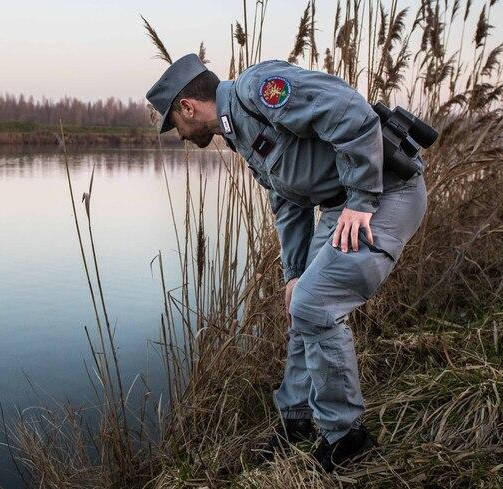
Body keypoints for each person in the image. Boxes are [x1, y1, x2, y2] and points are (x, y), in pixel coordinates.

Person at [145, 53, 428, 471]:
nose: (181, 136)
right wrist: (294, 273)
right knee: (299, 303)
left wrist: (362, 199)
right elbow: (289, 205)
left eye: (174, 124)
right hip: (342, 205)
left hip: (384, 195)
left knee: (315, 305)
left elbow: (352, 112)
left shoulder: (258, 88)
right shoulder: (239, 133)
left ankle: (347, 438)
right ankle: (296, 421)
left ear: (187, 107)